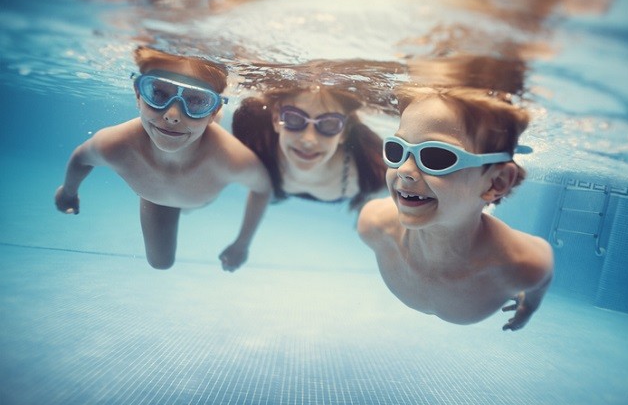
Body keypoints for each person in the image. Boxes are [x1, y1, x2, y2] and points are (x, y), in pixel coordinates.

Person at [55, 46, 271, 271]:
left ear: (214, 111)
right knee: (160, 263)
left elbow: (262, 188)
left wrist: (242, 243)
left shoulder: (231, 158)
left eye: (197, 101)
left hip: (189, 191)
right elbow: (81, 158)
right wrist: (67, 192)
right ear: (138, 96)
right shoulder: (114, 145)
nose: (172, 115)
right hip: (157, 197)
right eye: (158, 94)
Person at [357, 86, 553, 331]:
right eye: (396, 150)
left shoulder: (520, 265)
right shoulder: (374, 224)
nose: (405, 170)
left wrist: (529, 307)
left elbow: (543, 274)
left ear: (497, 181)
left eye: (437, 157)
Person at [231, 85, 387, 210]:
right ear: (276, 119)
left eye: (329, 124)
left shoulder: (371, 169)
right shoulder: (259, 139)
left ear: (343, 132)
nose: (308, 140)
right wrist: (242, 243)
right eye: (294, 118)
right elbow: (259, 187)